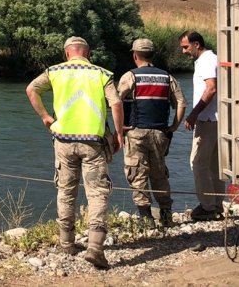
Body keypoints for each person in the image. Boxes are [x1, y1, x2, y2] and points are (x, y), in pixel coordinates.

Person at [26, 36, 124, 269]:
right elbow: (117, 104)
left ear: (67, 53)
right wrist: (118, 134)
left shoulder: (54, 71)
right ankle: (95, 248)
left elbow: (31, 89)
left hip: (64, 140)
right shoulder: (102, 74)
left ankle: (66, 242)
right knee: (97, 192)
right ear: (87, 54)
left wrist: (45, 117)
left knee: (66, 190)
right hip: (93, 141)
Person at [117, 38, 187, 227]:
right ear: (152, 54)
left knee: (137, 173)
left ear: (135, 55)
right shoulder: (167, 77)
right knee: (159, 173)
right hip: (160, 132)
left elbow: (115, 102)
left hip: (136, 131)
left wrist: (119, 128)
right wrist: (173, 126)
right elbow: (181, 102)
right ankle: (166, 214)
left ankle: (145, 218)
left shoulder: (130, 76)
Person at [179, 30, 225, 221]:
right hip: (218, 119)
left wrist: (193, 114)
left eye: (186, 47)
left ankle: (207, 207)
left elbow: (211, 88)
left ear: (196, 44)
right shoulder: (213, 58)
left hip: (207, 120)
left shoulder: (206, 60)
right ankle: (217, 205)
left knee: (197, 163)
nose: (184, 52)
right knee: (214, 166)